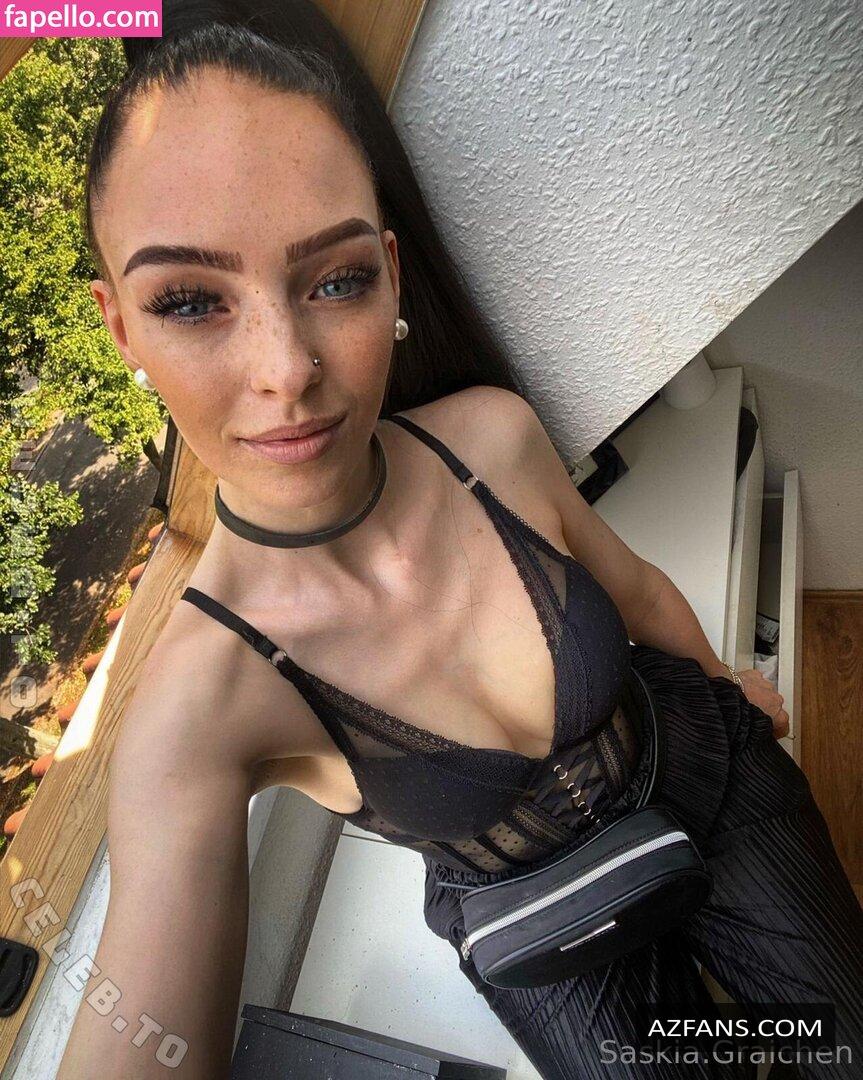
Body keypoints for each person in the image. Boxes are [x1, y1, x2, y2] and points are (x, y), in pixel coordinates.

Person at [58, 5, 863, 1079]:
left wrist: (725, 683)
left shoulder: (490, 436)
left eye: (335, 279)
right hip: (548, 938)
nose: (286, 369)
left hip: (715, 790)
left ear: (390, 276)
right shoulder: (199, 709)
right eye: (192, 301)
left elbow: (634, 591)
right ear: (122, 327)